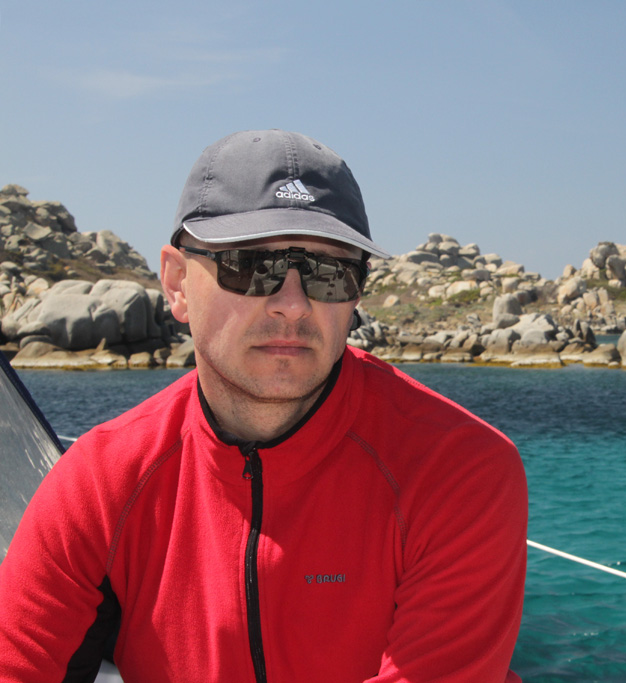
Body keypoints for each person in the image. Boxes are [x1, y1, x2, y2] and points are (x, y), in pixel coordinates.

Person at [0, 130, 528, 682]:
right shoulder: (101, 481)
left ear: (355, 292)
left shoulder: (457, 469)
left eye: (329, 272)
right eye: (250, 265)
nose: (292, 305)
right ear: (177, 283)